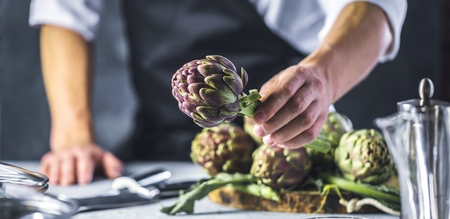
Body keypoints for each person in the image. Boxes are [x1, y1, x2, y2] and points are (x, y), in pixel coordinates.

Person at [29, 0, 407, 186]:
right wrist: (73, 137)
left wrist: (322, 76)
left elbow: (373, 9)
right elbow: (64, 12)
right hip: (159, 144)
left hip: (292, 143)